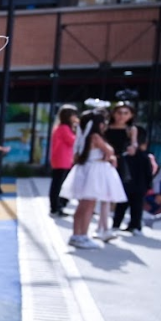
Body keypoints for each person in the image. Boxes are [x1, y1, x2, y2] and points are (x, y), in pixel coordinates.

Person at [63, 106, 128, 247]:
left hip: (85, 171)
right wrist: (110, 156)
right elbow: (109, 151)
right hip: (94, 173)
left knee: (82, 205)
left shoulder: (83, 137)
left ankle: (76, 234)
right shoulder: (95, 137)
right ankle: (82, 236)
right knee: (88, 206)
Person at [106, 100, 153, 235]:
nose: (122, 116)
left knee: (134, 196)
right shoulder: (106, 128)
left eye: (126, 113)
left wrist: (132, 148)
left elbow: (136, 147)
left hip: (130, 167)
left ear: (131, 115)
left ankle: (135, 225)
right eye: (119, 112)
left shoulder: (132, 130)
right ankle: (113, 224)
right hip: (109, 164)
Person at [49, 104, 79, 217]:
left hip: (62, 160)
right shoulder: (64, 128)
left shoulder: (62, 127)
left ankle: (58, 205)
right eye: (74, 115)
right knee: (58, 185)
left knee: (58, 184)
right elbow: (73, 141)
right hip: (62, 160)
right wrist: (78, 128)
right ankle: (56, 207)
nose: (76, 117)